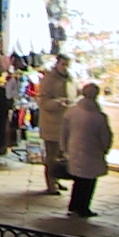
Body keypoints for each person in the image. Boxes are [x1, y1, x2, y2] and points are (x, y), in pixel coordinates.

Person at [61, 82, 112, 217]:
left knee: (78, 180)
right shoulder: (99, 117)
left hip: (74, 148)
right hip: (93, 152)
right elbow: (105, 136)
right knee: (88, 181)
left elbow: (64, 131)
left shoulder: (72, 111)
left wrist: (64, 147)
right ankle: (83, 207)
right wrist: (105, 149)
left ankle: (74, 205)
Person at [37, 55, 73, 196]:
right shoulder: (49, 80)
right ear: (57, 64)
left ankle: (57, 179)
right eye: (63, 64)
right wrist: (58, 103)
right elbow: (43, 101)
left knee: (60, 154)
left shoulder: (69, 78)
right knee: (51, 155)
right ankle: (51, 183)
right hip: (51, 123)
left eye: (67, 64)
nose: (65, 67)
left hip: (65, 122)